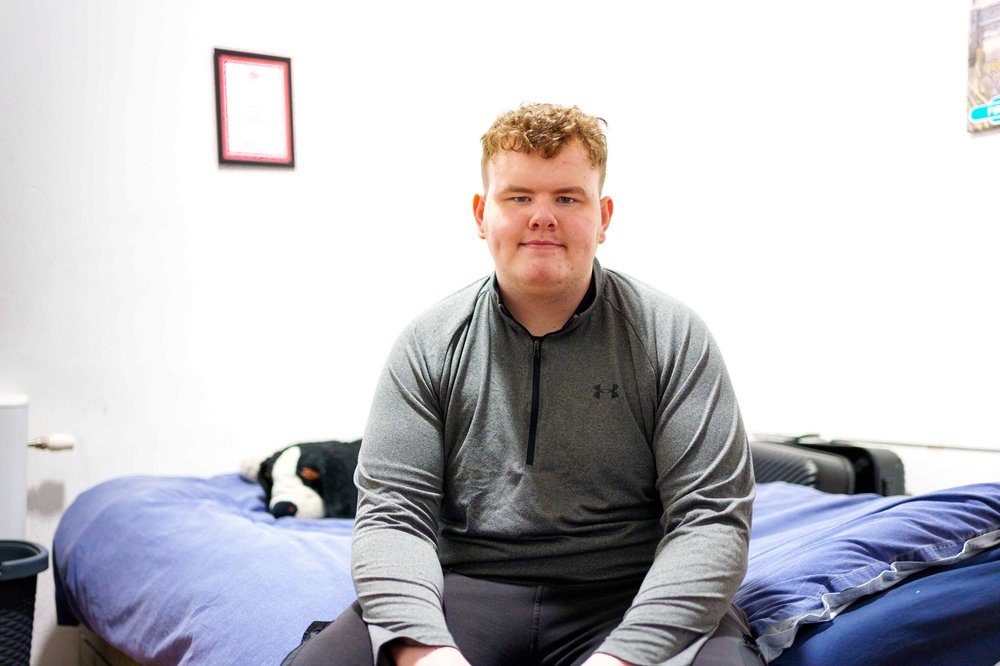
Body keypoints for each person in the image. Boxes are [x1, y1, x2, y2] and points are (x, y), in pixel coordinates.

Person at [283, 103, 762, 666]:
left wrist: (626, 658)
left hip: (629, 590)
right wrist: (425, 651)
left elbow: (711, 519)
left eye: (567, 197)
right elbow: (392, 516)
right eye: (518, 198)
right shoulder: (428, 343)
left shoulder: (672, 337)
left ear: (603, 216)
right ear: (482, 213)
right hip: (464, 589)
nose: (543, 217)